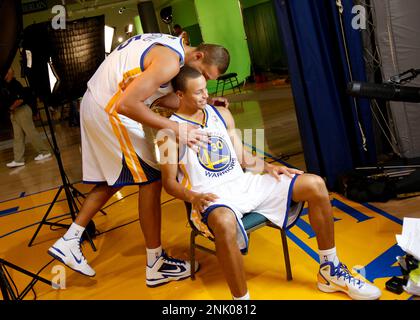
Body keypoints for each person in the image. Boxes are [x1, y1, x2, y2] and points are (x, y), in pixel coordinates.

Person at [158, 66, 382, 300]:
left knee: (314, 184)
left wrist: (269, 167)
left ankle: (329, 270)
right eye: (198, 92)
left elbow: (242, 156)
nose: (206, 96)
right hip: (211, 197)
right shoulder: (167, 133)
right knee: (224, 222)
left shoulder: (221, 115)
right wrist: (193, 197)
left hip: (244, 184)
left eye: (206, 89)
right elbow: (169, 184)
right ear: (180, 96)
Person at [47, 33, 230, 287]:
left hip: (98, 102)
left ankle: (70, 239)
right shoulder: (170, 62)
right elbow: (128, 104)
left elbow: (152, 98)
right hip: (110, 109)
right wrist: (175, 128)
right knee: (151, 179)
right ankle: (155, 265)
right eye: (205, 74)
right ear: (198, 56)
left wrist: (206, 103)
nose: (203, 80)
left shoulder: (168, 46)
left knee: (120, 178)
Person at [1, 68, 51, 168]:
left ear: (10, 74)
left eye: (6, 73)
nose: (4, 75)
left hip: (22, 111)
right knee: (18, 137)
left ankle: (45, 152)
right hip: (14, 113)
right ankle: (18, 160)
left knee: (31, 133)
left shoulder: (15, 84)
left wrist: (11, 108)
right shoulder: (6, 86)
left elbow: (20, 100)